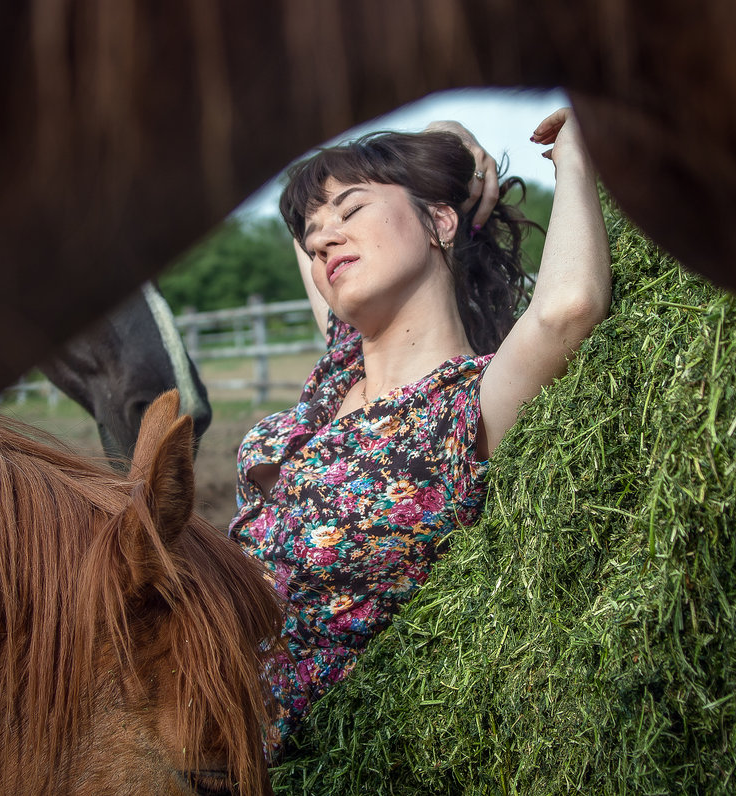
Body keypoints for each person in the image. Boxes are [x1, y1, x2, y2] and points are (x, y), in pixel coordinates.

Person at [227, 108, 612, 749]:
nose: (323, 240)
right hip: (217, 738)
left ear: (438, 221)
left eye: (350, 212)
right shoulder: (338, 366)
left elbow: (568, 308)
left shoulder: (466, 407)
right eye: (317, 233)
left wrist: (576, 150)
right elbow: (300, 220)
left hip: (328, 763)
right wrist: (448, 134)